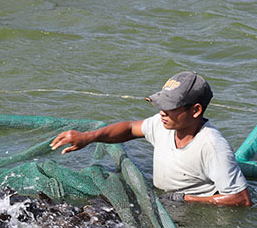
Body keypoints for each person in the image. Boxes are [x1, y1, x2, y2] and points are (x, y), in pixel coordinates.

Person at [50, 71, 251, 207]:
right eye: (161, 105)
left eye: (170, 107)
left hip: (190, 211)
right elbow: (130, 128)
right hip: (165, 199)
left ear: (195, 110)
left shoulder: (212, 146)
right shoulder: (163, 124)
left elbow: (241, 199)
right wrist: (88, 137)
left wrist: (186, 199)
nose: (162, 113)